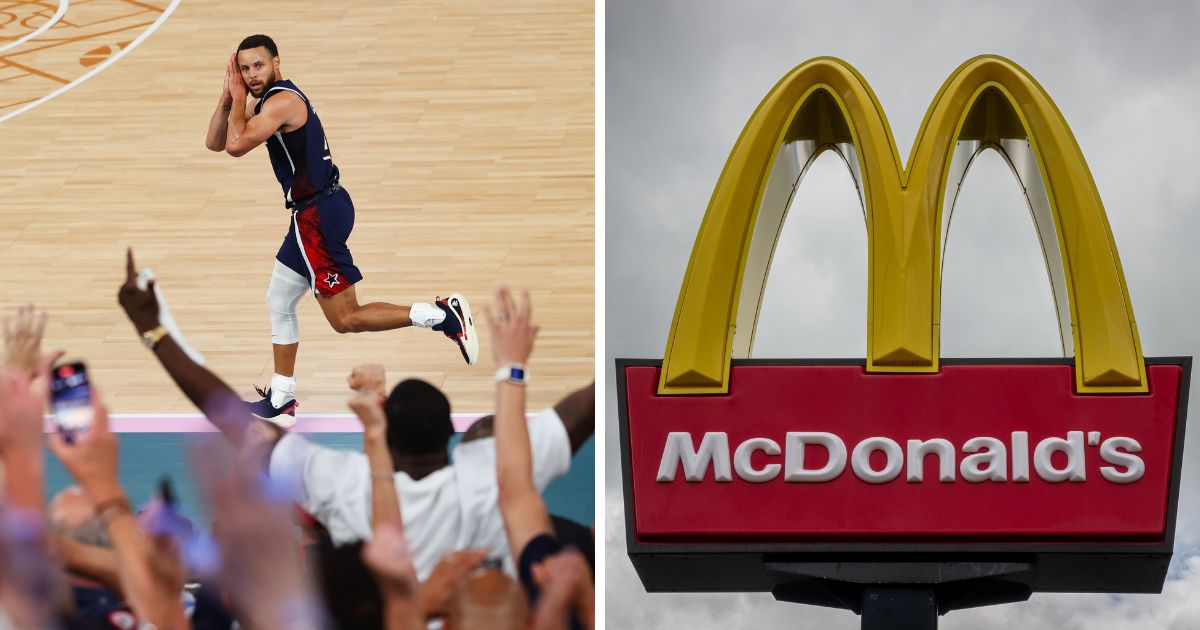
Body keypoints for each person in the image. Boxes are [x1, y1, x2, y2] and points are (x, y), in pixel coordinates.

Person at [117, 249, 595, 580]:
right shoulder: (498, 476)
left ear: (384, 436)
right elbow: (585, 408)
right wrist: (512, 368)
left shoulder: (343, 484)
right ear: (451, 439)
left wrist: (154, 330)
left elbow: (227, 414)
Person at [203, 33, 478, 424]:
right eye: (244, 69)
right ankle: (281, 399)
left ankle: (441, 315)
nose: (251, 75)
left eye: (258, 66)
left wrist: (239, 99)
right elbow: (215, 142)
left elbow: (235, 145)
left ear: (277, 63)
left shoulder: (282, 100)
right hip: (316, 211)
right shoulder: (262, 100)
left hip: (316, 215)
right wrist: (227, 99)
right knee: (278, 300)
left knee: (346, 319)